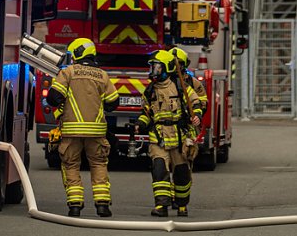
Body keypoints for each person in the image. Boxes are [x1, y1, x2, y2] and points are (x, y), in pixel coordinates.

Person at [46, 38, 120, 217]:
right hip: (96, 131)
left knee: (71, 165)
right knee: (99, 164)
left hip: (71, 131)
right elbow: (113, 102)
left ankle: (75, 206)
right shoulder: (102, 75)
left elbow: (54, 97)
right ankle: (102, 205)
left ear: (78, 53)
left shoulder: (68, 73)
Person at [136, 50, 203, 217]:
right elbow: (147, 113)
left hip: (179, 136)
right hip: (158, 137)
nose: (153, 71)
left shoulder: (180, 87)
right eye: (151, 67)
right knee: (159, 170)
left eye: (156, 67)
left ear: (166, 68)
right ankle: (161, 205)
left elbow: (196, 102)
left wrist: (197, 115)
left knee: (181, 173)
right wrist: (140, 124)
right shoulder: (150, 90)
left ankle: (181, 205)